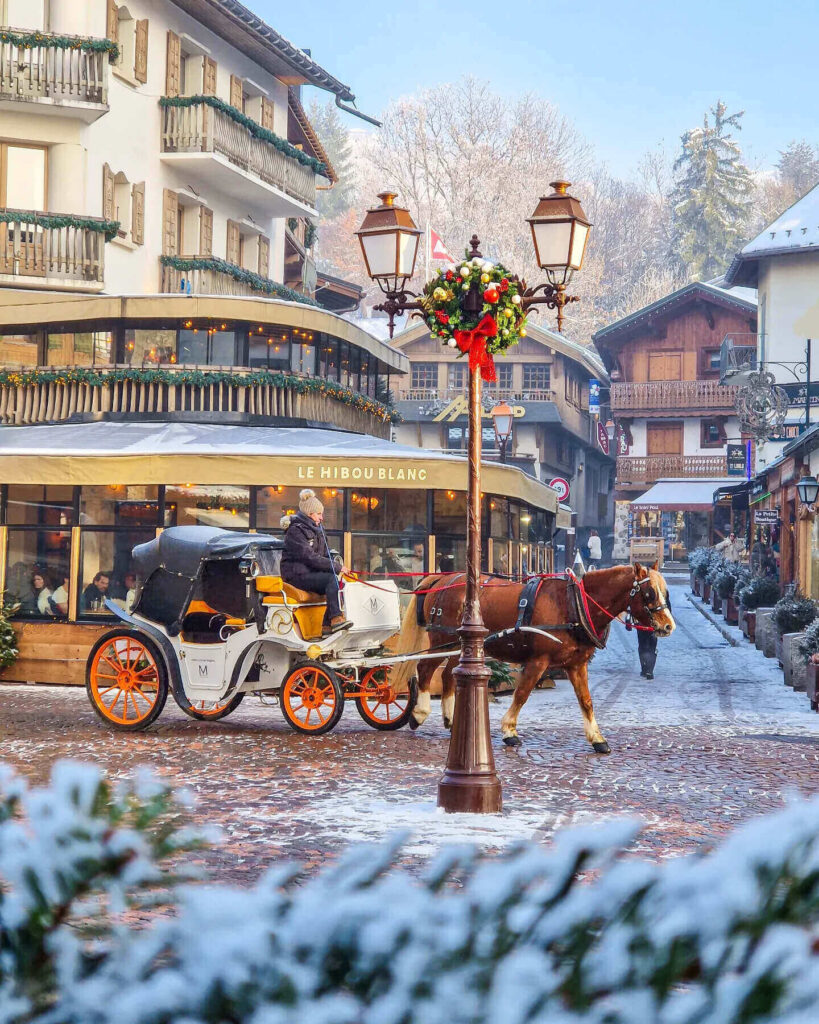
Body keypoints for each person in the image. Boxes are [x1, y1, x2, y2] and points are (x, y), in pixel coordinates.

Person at [280, 489, 350, 635]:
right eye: (319, 514)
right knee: (331, 580)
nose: (321, 517)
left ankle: (326, 625)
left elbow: (324, 554)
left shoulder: (318, 530)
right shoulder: (295, 531)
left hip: (309, 573)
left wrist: (336, 566)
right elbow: (309, 557)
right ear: (309, 514)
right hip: (296, 575)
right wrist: (337, 567)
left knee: (339, 584)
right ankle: (336, 619)